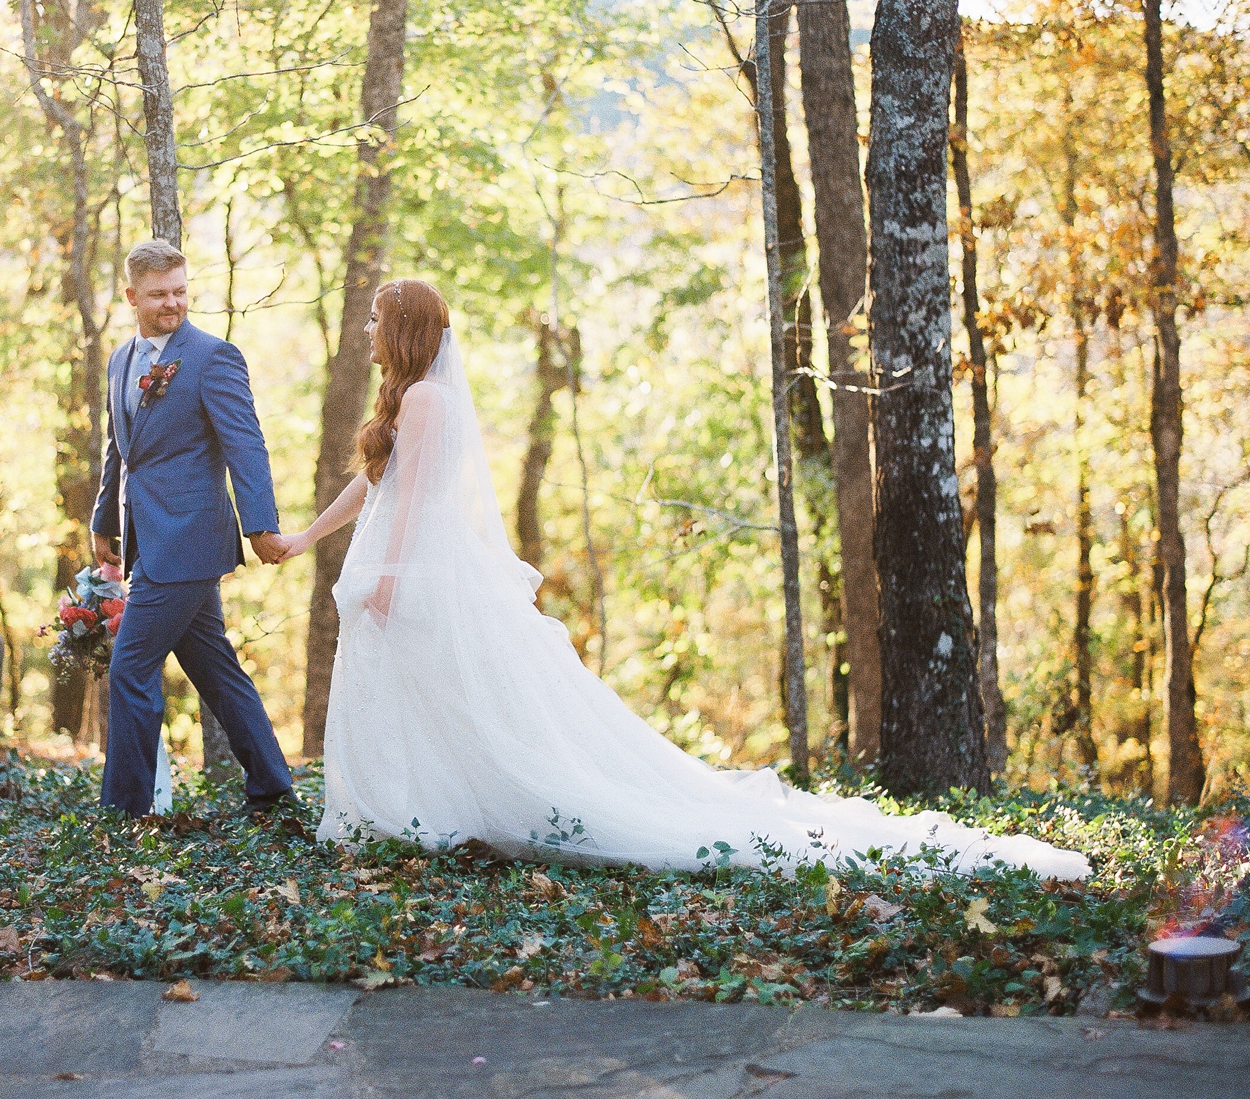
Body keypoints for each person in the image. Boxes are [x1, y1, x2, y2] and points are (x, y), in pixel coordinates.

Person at [280, 278, 1089, 878]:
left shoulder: (425, 403)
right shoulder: (407, 398)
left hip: (417, 568)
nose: (367, 326)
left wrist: (387, 577)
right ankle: (424, 805)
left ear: (407, 329)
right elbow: (376, 487)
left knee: (458, 696)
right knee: (427, 695)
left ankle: (440, 808)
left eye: (378, 319)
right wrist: (306, 537)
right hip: (398, 560)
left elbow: (416, 500)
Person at [90, 240, 296, 817]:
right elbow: (120, 450)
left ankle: (126, 813)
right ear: (131, 296)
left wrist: (261, 526)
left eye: (180, 291)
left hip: (190, 538)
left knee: (130, 668)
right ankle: (273, 787)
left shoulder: (212, 357)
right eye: (158, 294)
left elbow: (245, 445)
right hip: (146, 537)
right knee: (214, 667)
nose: (172, 303)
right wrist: (104, 518)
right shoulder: (120, 360)